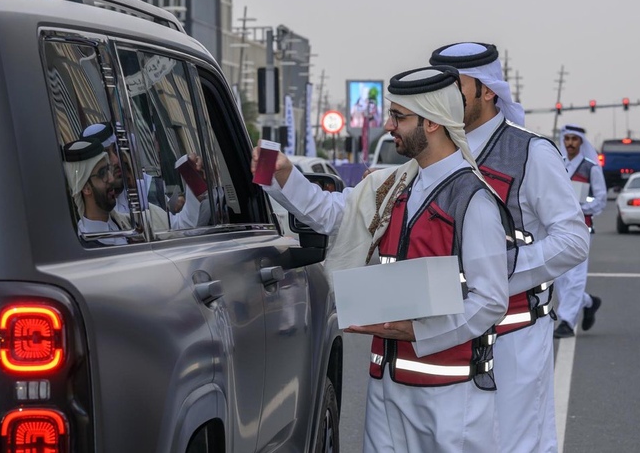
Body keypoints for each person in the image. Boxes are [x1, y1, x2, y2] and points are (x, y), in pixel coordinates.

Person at [256, 66, 514, 452]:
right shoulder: (392, 185)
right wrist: (279, 174)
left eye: (399, 116)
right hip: (387, 387)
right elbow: (333, 215)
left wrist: (417, 331)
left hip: (451, 396)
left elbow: (491, 300)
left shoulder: (472, 199)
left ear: (431, 123)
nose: (389, 125)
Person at [429, 42, 589, 453]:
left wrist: (495, 270)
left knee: (518, 444)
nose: (441, 95)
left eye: (453, 85)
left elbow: (573, 240)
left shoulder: (531, 152)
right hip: (448, 329)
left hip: (515, 335)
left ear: (487, 90)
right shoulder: (432, 153)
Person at [82, 122, 201, 230]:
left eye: (115, 150)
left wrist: (194, 180)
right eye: (106, 154)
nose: (115, 159)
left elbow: (181, 227)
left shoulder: (145, 198)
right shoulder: (90, 222)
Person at [552, 123, 607, 339]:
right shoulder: (558, 165)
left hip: (582, 228)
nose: (570, 144)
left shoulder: (591, 167)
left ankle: (566, 321)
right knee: (561, 277)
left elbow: (601, 200)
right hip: (558, 229)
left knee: (575, 276)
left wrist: (578, 208)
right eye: (567, 139)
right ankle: (589, 302)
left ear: (581, 142)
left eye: (574, 140)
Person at [62, 137, 129, 246]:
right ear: (86, 188)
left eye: (108, 169)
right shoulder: (86, 245)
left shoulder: (124, 222)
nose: (111, 178)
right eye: (102, 173)